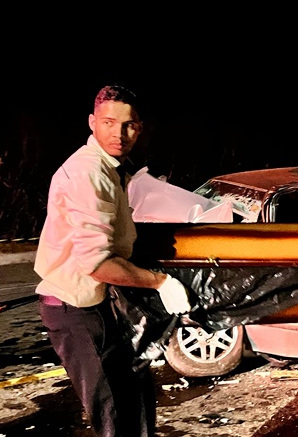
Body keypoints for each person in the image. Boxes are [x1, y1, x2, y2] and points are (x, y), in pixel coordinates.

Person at [34, 84, 192, 437]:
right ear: (92, 122)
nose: (119, 134)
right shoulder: (89, 174)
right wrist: (160, 282)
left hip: (100, 305)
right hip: (75, 310)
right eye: (108, 123)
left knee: (136, 399)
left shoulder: (112, 168)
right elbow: (97, 263)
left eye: (128, 125)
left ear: (140, 128)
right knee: (116, 416)